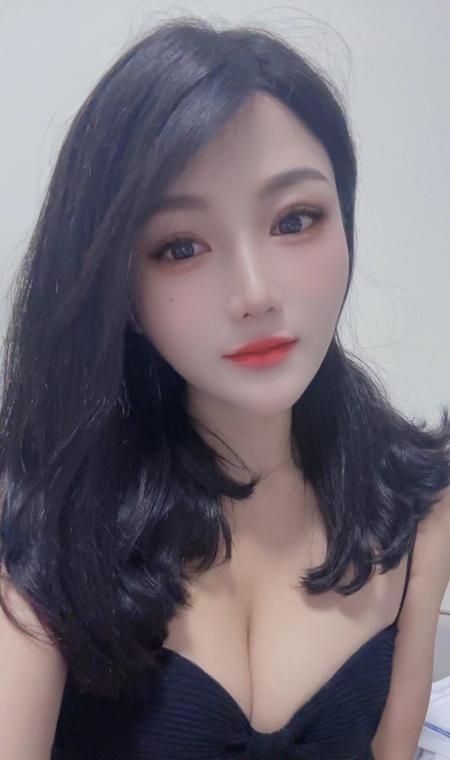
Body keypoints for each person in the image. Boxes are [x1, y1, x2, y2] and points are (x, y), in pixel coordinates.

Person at [0, 15, 449, 760]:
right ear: (120, 287)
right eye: (182, 246)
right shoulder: (47, 520)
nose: (255, 293)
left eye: (296, 219)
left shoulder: (416, 500)